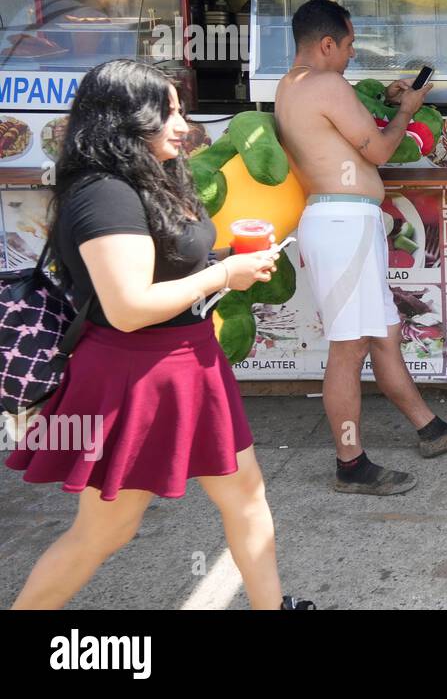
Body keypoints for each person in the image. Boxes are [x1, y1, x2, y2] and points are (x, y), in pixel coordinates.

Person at [5, 59, 312, 609]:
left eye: (180, 109)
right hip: (134, 375)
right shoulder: (104, 193)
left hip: (187, 361)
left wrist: (225, 259)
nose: (182, 123)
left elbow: (162, 265)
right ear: (122, 120)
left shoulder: (151, 176)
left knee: (246, 494)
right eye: (165, 112)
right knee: (105, 531)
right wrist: (224, 275)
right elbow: (127, 308)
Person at [274, 0, 447, 497]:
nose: (350, 55)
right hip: (343, 225)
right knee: (349, 350)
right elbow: (379, 150)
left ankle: (429, 429)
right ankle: (349, 464)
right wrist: (409, 112)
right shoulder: (325, 84)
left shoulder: (294, 86)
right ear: (327, 43)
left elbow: (345, 137)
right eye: (348, 45)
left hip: (343, 223)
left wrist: (387, 104)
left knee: (384, 334)